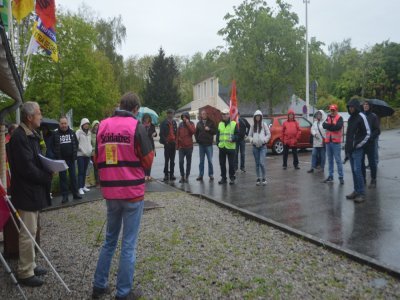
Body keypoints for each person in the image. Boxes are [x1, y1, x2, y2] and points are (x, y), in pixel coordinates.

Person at [92, 92, 154, 300]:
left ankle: (99, 285)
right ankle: (123, 292)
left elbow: (96, 157)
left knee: (110, 240)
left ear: (120, 105)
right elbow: (148, 160)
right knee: (128, 243)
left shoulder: (102, 126)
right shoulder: (136, 127)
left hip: (111, 192)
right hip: (132, 193)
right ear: (136, 109)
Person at [8, 102, 52, 287]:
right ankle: (25, 272)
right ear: (29, 117)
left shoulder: (31, 134)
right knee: (27, 232)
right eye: (39, 113)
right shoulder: (20, 137)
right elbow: (27, 168)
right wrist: (46, 176)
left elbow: (35, 160)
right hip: (26, 192)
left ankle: (31, 265)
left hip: (32, 191)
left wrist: (48, 166)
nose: (41, 116)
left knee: (32, 230)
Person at [345, 99, 370, 203]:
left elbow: (368, 133)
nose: (350, 108)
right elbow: (349, 135)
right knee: (354, 171)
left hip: (358, 149)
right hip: (350, 150)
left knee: (357, 171)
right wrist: (347, 149)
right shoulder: (350, 118)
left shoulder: (362, 117)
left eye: (352, 107)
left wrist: (358, 145)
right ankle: (356, 191)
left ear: (356, 107)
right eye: (349, 107)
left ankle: (361, 193)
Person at [52, 116, 82, 203]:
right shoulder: (56, 134)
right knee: (63, 178)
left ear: (67, 123)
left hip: (71, 159)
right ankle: (65, 196)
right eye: (62, 123)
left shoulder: (72, 133)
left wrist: (75, 154)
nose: (64, 125)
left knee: (73, 177)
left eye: (65, 123)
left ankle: (75, 194)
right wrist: (56, 156)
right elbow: (53, 146)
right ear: (59, 124)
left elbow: (76, 144)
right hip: (61, 161)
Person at [322, 104, 344, 184]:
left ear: (336, 110)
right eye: (331, 110)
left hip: (336, 142)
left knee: (338, 160)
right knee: (330, 160)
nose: (332, 111)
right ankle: (330, 176)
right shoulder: (328, 117)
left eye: (333, 110)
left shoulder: (339, 118)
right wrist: (331, 126)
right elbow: (324, 125)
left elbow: (338, 127)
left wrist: (329, 126)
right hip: (328, 142)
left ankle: (341, 177)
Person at [361, 100, 380, 188]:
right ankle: (363, 179)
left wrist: (370, 138)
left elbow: (377, 130)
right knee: (361, 161)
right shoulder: (361, 115)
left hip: (370, 143)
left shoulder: (374, 116)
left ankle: (373, 180)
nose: (365, 106)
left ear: (370, 106)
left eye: (367, 104)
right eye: (364, 104)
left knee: (372, 162)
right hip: (362, 143)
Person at [216, 109, 239, 185]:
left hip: (231, 147)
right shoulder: (220, 124)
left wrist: (233, 138)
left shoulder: (233, 124)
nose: (224, 115)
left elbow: (238, 135)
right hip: (222, 147)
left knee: (231, 164)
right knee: (222, 164)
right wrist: (217, 143)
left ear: (229, 115)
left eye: (225, 114)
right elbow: (218, 135)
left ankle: (232, 178)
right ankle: (223, 178)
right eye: (223, 114)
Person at [248, 110, 271, 185]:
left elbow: (268, 134)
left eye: (259, 116)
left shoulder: (264, 125)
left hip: (262, 147)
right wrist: (252, 140)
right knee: (257, 163)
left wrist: (265, 140)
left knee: (262, 163)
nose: (258, 117)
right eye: (256, 116)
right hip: (255, 147)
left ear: (261, 117)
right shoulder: (252, 125)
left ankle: (264, 178)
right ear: (254, 117)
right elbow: (249, 135)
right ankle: (258, 178)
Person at [195, 109, 217, 181]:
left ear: (207, 114)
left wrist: (209, 129)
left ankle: (211, 174)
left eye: (205, 113)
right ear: (201, 115)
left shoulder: (211, 122)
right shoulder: (199, 123)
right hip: (201, 145)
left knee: (210, 160)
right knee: (201, 161)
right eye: (202, 114)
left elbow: (215, 132)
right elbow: (196, 133)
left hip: (208, 145)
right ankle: (200, 175)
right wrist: (198, 140)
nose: (203, 115)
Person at [176, 112, 196, 183]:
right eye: (183, 117)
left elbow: (193, 131)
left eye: (185, 117)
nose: (184, 118)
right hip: (181, 147)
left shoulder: (192, 123)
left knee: (188, 162)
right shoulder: (180, 125)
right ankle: (182, 176)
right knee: (181, 161)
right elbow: (177, 135)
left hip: (189, 147)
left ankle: (187, 176)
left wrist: (188, 124)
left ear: (188, 117)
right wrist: (177, 146)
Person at [159, 109, 177, 181]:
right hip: (167, 143)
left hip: (173, 143)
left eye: (172, 114)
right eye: (169, 114)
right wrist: (166, 142)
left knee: (172, 160)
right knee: (167, 160)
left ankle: (172, 174)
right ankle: (166, 175)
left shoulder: (174, 122)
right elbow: (161, 134)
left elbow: (176, 133)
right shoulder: (163, 123)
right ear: (167, 114)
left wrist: (176, 141)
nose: (171, 115)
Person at [76, 118, 93, 195]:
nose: (86, 125)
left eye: (88, 124)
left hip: (88, 155)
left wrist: (90, 149)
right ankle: (79, 188)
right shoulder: (78, 132)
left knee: (85, 171)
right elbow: (76, 142)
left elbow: (89, 143)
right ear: (82, 124)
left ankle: (83, 186)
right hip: (80, 155)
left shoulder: (89, 133)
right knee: (81, 171)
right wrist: (82, 150)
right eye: (85, 124)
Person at [141, 113, 157, 181]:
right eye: (145, 119)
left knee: (150, 161)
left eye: (148, 119)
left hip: (151, 144)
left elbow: (155, 133)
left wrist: (154, 134)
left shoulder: (152, 125)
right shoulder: (141, 126)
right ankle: (144, 175)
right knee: (144, 161)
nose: (147, 120)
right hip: (144, 144)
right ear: (143, 119)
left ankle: (148, 175)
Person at [90, 120, 100, 187]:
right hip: (94, 153)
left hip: (101, 153)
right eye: (95, 125)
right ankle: (97, 182)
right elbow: (90, 144)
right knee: (96, 168)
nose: (97, 126)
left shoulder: (101, 133)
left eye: (98, 125)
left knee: (101, 168)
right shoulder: (90, 134)